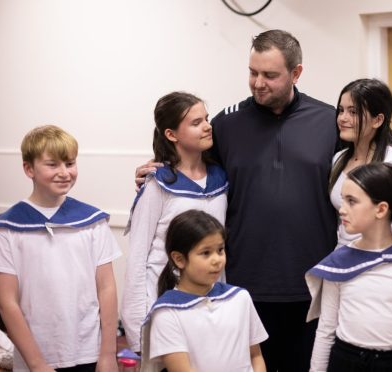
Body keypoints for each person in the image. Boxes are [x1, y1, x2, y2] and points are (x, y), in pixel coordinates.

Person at [135, 29, 338, 371]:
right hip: (242, 287)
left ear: (296, 73)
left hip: (313, 285)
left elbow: (370, 162)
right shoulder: (226, 124)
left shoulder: (329, 121)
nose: (258, 83)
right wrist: (153, 168)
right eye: (252, 72)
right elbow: (189, 165)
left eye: (270, 75)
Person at [0, 125, 121, 371]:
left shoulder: (92, 221)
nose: (64, 172)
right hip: (36, 356)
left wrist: (108, 354)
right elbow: (6, 301)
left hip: (89, 352)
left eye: (70, 163)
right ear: (28, 168)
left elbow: (106, 288)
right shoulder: (8, 228)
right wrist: (36, 363)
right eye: (52, 165)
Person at [307, 163, 392, 372]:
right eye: (343, 199)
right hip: (345, 361)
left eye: (351, 201)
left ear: (381, 209)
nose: (342, 209)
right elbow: (325, 330)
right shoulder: (339, 263)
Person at [121, 92, 228, 353]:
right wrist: (137, 330)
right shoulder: (159, 183)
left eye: (206, 118)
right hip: (164, 305)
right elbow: (137, 259)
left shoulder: (220, 177)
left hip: (210, 306)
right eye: (195, 122)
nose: (207, 126)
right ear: (171, 134)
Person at [140, 209, 267, 372]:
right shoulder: (166, 313)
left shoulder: (240, 298)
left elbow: (255, 356)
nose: (217, 260)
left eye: (220, 250)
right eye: (206, 253)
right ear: (179, 259)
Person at [330, 78, 392, 248]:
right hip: (344, 257)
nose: (342, 118)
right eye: (341, 110)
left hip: (383, 260)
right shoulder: (338, 159)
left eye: (353, 112)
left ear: (377, 120)